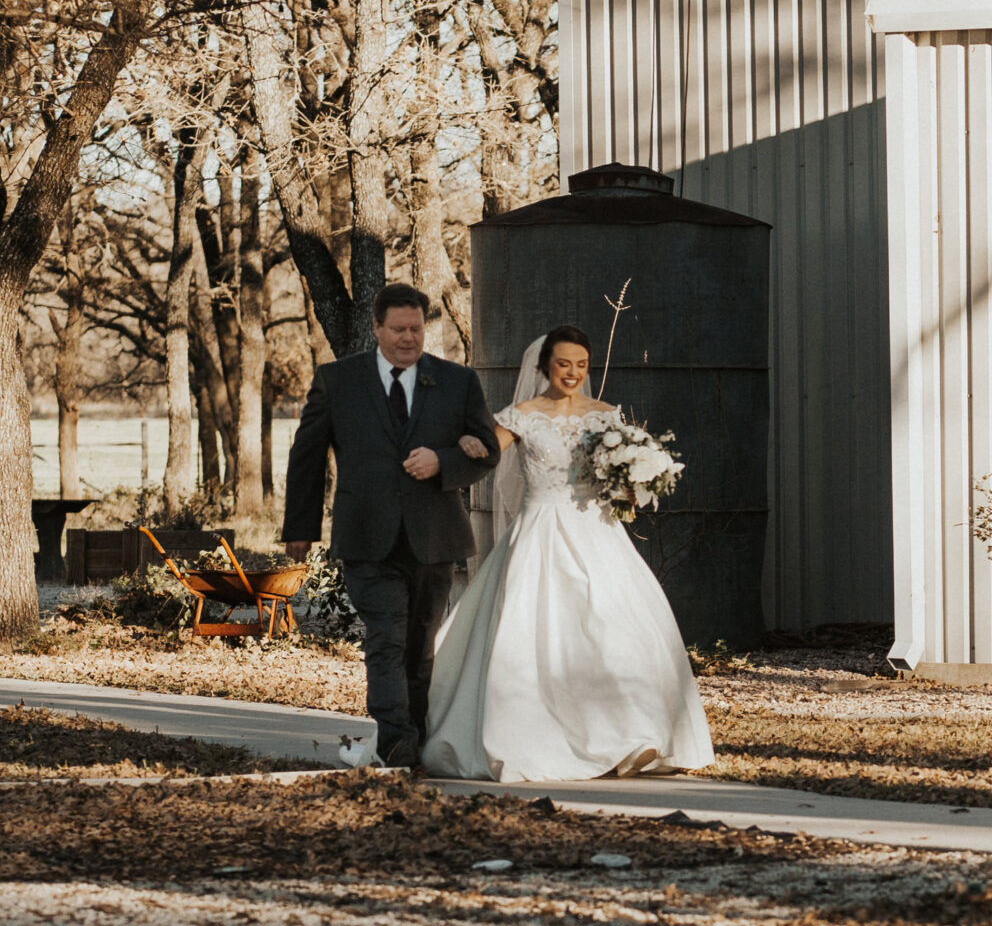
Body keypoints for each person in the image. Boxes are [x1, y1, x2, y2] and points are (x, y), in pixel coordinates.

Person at [420, 322, 714, 782]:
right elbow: (482, 454)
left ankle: (632, 738)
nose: (573, 373)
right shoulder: (521, 415)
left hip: (599, 532)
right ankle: (533, 737)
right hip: (539, 532)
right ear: (544, 367)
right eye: (563, 364)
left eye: (581, 364)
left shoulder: (606, 416)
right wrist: (459, 444)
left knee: (616, 633)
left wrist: (636, 482)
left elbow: (621, 490)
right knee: (530, 634)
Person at [282, 282, 498, 770]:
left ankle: (417, 736)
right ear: (376, 328)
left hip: (434, 537)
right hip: (366, 535)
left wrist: (443, 461)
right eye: (397, 329)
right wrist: (301, 526)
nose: (408, 338)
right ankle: (396, 741)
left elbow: (488, 449)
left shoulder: (457, 381)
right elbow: (308, 456)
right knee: (386, 638)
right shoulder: (337, 380)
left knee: (421, 647)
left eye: (416, 329)